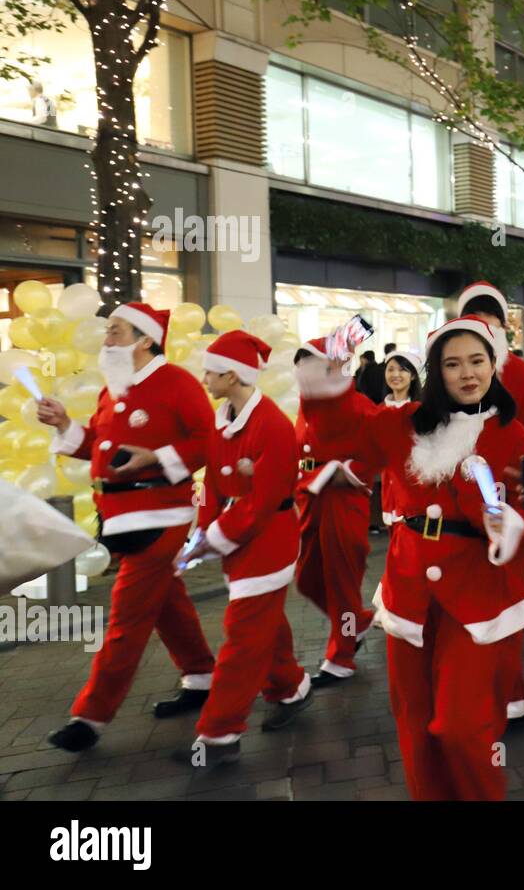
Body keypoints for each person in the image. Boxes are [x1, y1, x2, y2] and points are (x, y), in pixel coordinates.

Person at [298, 316, 524, 799]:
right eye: (452, 364)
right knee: (412, 724)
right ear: (436, 372)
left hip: (478, 597)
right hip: (408, 590)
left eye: (477, 361)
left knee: (462, 727)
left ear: (493, 366)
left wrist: (512, 525)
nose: (467, 373)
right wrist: (327, 374)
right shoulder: (404, 423)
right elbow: (338, 431)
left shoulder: (513, 433)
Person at [41, 303, 216, 753]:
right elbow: (100, 448)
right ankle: (202, 676)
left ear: (144, 339)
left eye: (114, 331)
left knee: (125, 618)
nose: (106, 339)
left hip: (161, 515)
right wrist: (65, 425)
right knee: (165, 604)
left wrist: (156, 457)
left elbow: (206, 441)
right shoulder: (112, 388)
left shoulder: (177, 382)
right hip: (120, 516)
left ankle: (90, 716)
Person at [171, 331, 313, 766]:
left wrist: (212, 539)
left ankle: (219, 733)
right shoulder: (223, 417)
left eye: (211, 372)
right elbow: (213, 482)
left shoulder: (271, 424)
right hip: (241, 537)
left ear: (232, 375)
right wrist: (204, 534)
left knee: (242, 638)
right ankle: (291, 688)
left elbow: (263, 501)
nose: (205, 379)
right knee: (263, 624)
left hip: (269, 539)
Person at [456, 281, 524, 723]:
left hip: (508, 499)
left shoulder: (520, 373)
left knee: (505, 589)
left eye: (491, 321)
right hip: (461, 504)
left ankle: (512, 697)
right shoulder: (453, 366)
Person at [292, 339, 380, 687]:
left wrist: (346, 472)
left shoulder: (358, 405)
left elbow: (375, 451)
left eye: (309, 364)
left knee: (342, 581)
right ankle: (354, 622)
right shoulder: (306, 405)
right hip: (310, 499)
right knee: (306, 578)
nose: (302, 373)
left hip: (344, 502)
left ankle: (341, 655)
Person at [379, 348, 423, 527]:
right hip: (388, 488)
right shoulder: (378, 411)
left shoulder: (421, 411)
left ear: (412, 376)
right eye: (391, 369)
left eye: (402, 369)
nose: (395, 374)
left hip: (415, 490)